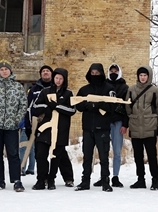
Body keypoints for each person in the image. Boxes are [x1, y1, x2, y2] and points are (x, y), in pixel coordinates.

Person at [75, 63, 120, 191]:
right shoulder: (84, 89)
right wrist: (87, 105)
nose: (95, 75)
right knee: (87, 157)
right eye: (92, 73)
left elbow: (113, 106)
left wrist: (97, 105)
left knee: (104, 157)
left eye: (97, 73)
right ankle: (85, 181)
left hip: (103, 128)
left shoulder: (109, 89)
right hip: (88, 128)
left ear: (101, 73)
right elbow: (77, 105)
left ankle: (105, 181)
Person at [0, 61, 27, 192]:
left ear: (10, 71)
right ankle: (0, 180)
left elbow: (23, 105)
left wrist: (17, 119)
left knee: (13, 153)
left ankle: (17, 180)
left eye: (6, 69)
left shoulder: (18, 87)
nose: (4, 71)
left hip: (11, 126)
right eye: (1, 69)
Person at [30, 68, 75, 189]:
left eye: (61, 78)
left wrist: (57, 106)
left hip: (61, 129)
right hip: (45, 128)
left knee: (56, 156)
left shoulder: (68, 94)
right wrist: (47, 107)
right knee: (41, 154)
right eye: (56, 78)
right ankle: (41, 179)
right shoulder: (45, 91)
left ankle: (51, 179)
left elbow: (72, 110)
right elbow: (36, 106)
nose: (58, 80)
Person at [125, 66, 158, 189]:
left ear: (149, 76)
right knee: (138, 156)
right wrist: (132, 116)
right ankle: (140, 179)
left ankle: (155, 179)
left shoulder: (155, 91)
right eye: (141, 75)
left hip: (149, 127)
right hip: (136, 126)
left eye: (145, 75)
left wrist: (153, 119)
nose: (142, 77)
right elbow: (127, 106)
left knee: (152, 155)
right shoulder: (131, 90)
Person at [22, 65, 53, 176]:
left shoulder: (56, 87)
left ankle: (60, 177)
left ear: (51, 73)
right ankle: (39, 175)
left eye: (47, 71)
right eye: (43, 71)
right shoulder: (34, 89)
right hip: (37, 124)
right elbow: (29, 107)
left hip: (53, 124)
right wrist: (28, 125)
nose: (45, 73)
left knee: (58, 152)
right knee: (38, 151)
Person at [104, 63, 130, 187]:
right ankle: (104, 176)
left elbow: (127, 107)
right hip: (105, 121)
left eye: (116, 71)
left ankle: (115, 176)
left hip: (118, 121)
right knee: (103, 150)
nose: (113, 73)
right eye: (111, 71)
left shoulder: (125, 87)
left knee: (117, 150)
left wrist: (125, 124)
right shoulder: (103, 86)